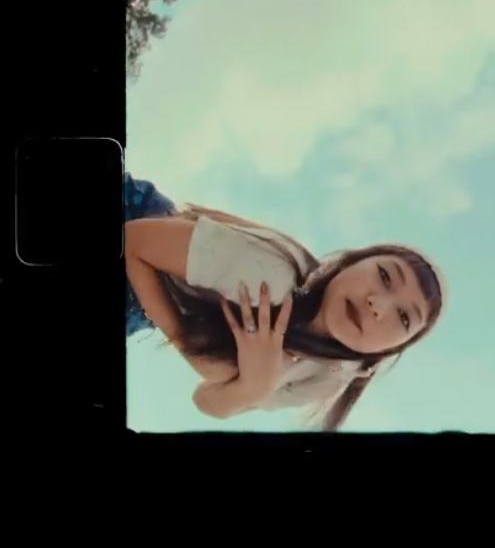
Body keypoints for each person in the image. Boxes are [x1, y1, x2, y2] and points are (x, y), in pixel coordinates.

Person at [124, 172, 447, 431]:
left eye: (404, 317)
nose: (378, 305)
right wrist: (193, 350)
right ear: (350, 263)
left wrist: (252, 388)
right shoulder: (271, 275)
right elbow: (132, 239)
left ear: (387, 352)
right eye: (385, 276)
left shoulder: (325, 377)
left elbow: (208, 403)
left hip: (143, 297)